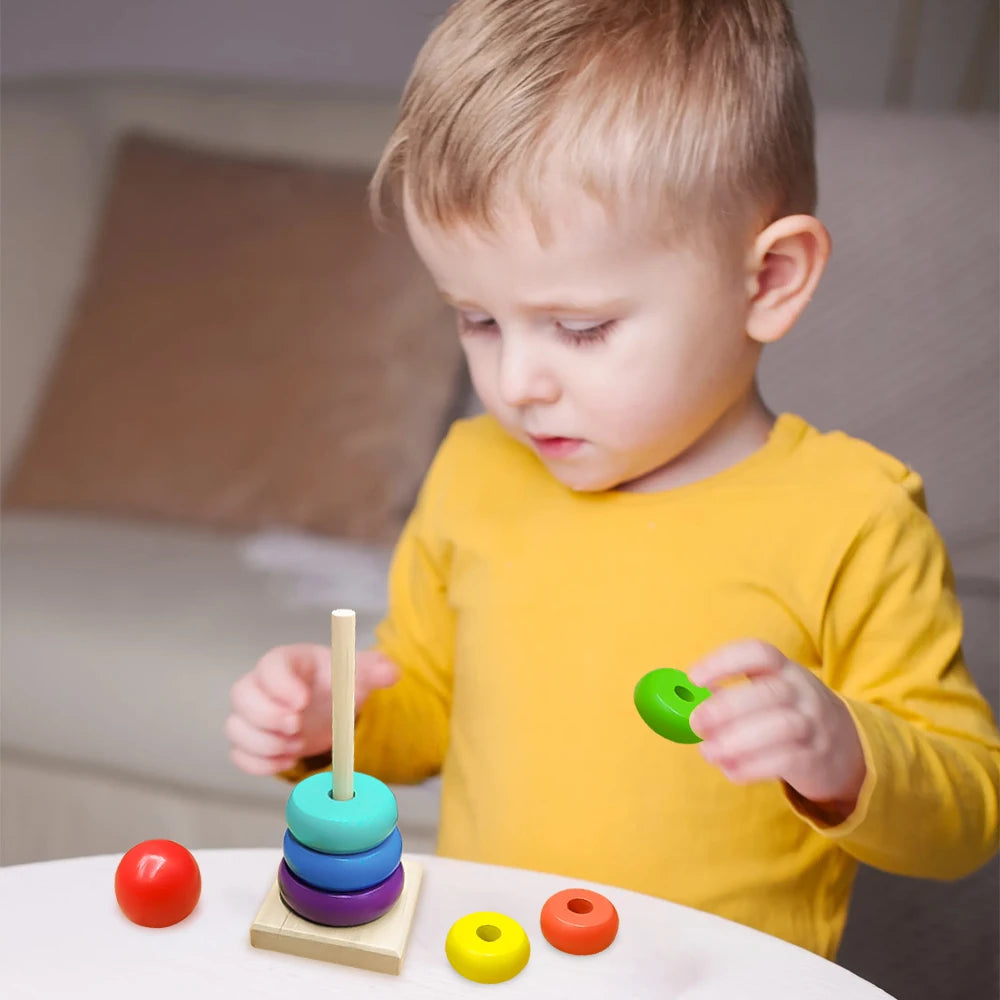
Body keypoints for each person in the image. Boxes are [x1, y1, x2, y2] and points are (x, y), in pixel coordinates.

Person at [226, 0, 1000, 959]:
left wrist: (845, 751)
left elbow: (967, 815)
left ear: (768, 281)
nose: (515, 383)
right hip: (493, 967)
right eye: (477, 319)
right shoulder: (474, 472)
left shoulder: (854, 518)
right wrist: (331, 718)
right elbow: (427, 714)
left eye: (581, 327)